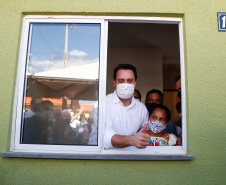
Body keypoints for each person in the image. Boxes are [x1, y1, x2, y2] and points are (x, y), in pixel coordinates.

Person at [104, 64, 150, 149]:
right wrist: (132, 140)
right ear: (114, 83)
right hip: (104, 157)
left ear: (135, 83)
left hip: (132, 158)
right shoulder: (103, 104)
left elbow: (147, 131)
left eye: (129, 81)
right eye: (121, 81)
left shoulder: (141, 108)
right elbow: (106, 137)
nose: (125, 85)